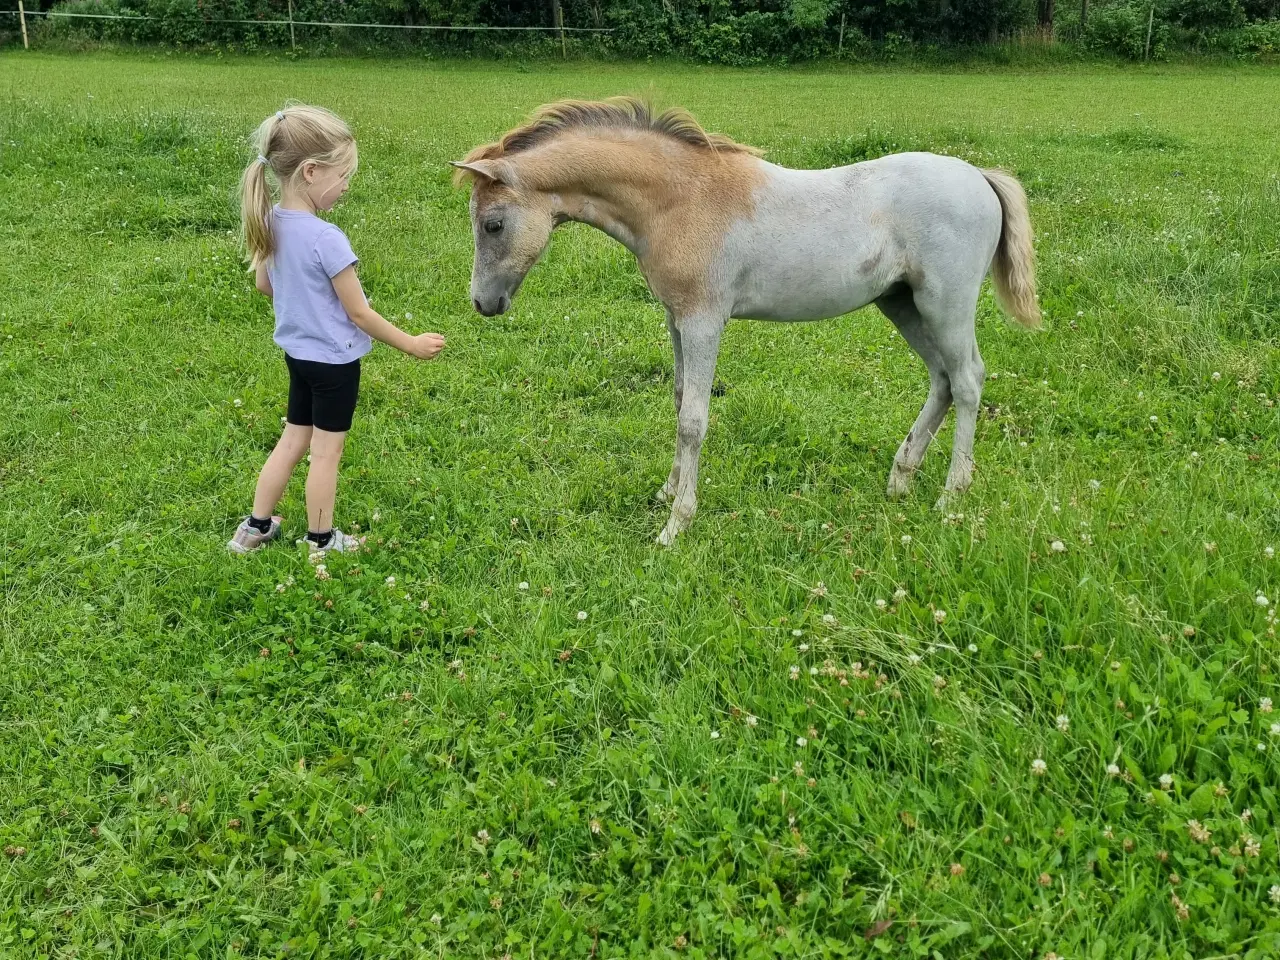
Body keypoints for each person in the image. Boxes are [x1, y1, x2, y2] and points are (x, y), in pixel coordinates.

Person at [227, 104, 444, 555]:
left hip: (298, 356)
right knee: (325, 454)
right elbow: (360, 314)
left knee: (292, 441)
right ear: (310, 172)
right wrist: (411, 344)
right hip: (334, 363)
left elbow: (265, 285)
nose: (346, 186)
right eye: (343, 175)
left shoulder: (269, 222)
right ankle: (322, 542)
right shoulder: (328, 239)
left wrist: (303, 302)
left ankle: (254, 528)